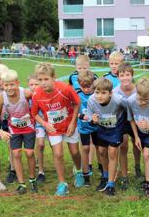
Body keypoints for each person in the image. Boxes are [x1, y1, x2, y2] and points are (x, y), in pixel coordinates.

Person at [31, 63, 83, 196]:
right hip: (53, 127)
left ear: (54, 77)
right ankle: (62, 184)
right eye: (40, 80)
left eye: (46, 79)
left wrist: (73, 122)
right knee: (58, 154)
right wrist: (45, 124)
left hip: (69, 125)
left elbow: (77, 103)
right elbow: (34, 113)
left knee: (75, 152)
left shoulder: (65, 88)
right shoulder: (37, 94)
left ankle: (78, 171)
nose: (43, 83)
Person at [0, 69, 37, 195]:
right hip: (14, 129)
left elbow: (40, 100)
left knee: (29, 153)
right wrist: (0, 131)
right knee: (15, 154)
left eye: (11, 84)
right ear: (3, 85)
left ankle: (32, 180)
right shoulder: (1, 97)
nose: (9, 87)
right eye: (6, 85)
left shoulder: (26, 93)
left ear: (17, 83)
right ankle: (22, 184)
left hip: (28, 127)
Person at [87, 77, 127, 196]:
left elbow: (130, 109)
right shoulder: (91, 100)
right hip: (102, 127)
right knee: (102, 151)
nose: (99, 96)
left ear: (110, 93)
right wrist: (93, 120)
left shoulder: (119, 100)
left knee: (112, 152)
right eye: (97, 92)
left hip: (116, 128)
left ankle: (110, 183)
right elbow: (90, 118)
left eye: (103, 93)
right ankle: (105, 175)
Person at [113, 63, 141, 190]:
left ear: (132, 75)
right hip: (122, 120)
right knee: (123, 145)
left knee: (137, 144)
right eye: (122, 75)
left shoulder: (138, 90)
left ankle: (137, 166)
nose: (125, 78)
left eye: (128, 75)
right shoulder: (115, 92)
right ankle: (124, 176)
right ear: (118, 77)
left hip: (137, 118)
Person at [76, 70, 99, 186]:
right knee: (85, 149)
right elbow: (71, 111)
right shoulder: (77, 95)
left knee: (100, 148)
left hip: (97, 127)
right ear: (79, 84)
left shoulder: (97, 94)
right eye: (83, 87)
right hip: (84, 127)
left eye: (88, 86)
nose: (86, 89)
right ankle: (86, 175)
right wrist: (81, 116)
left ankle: (103, 171)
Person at [27, 74, 46, 183]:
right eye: (31, 84)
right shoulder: (28, 96)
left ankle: (58, 167)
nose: (34, 87)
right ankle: (41, 172)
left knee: (55, 147)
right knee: (40, 144)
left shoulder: (45, 94)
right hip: (38, 124)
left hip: (49, 122)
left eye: (36, 84)